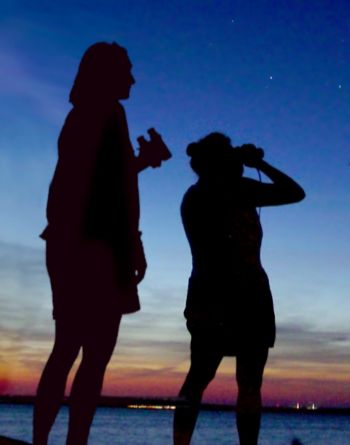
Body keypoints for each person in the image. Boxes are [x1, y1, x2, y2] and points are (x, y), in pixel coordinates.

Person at [33, 42, 170, 445]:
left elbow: (105, 179)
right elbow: (104, 191)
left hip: (79, 243)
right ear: (107, 74)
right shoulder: (106, 114)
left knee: (70, 349)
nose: (133, 79)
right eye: (126, 70)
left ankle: (47, 441)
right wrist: (131, 242)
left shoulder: (88, 115)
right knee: (90, 354)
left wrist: (142, 162)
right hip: (95, 247)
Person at [173, 132, 305, 445]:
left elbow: (294, 193)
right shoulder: (231, 191)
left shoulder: (197, 195)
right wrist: (260, 164)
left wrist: (252, 164)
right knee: (241, 382)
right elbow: (293, 192)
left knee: (202, 378)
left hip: (220, 295)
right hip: (238, 296)